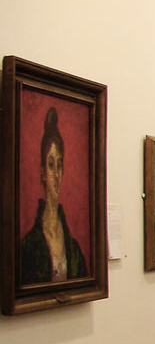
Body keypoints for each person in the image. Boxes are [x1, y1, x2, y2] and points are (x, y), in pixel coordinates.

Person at [21, 107, 88, 284]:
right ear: (43, 172)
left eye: (59, 165)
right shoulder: (29, 244)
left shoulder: (73, 247)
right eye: (51, 165)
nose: (57, 174)